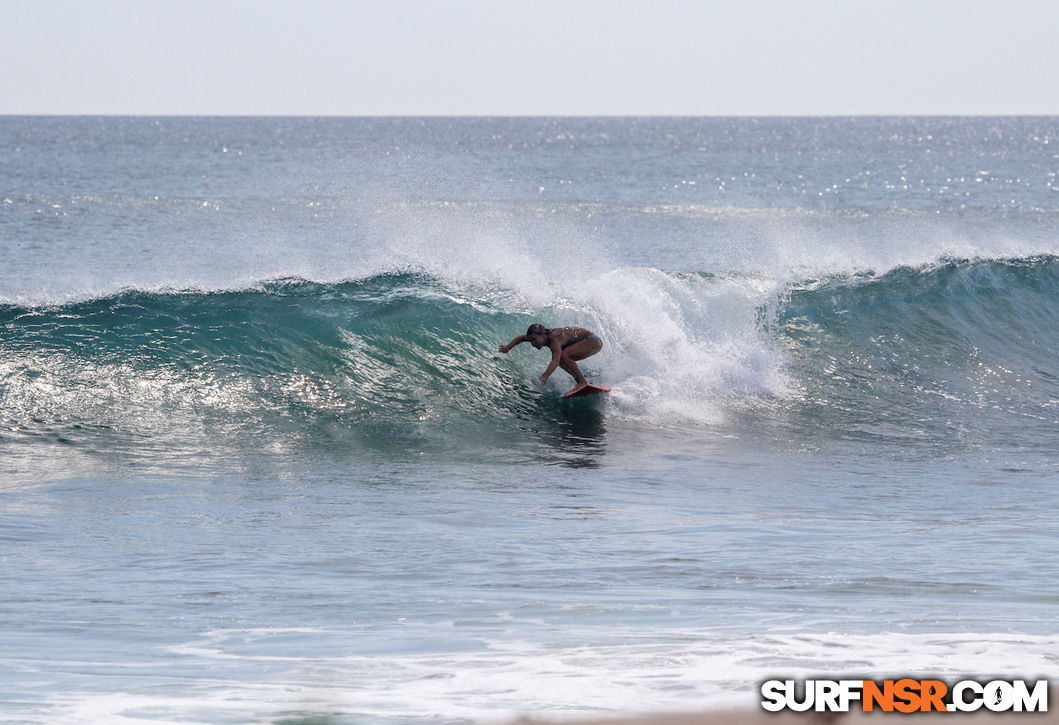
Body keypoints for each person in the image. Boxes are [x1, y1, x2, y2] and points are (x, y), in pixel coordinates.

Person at [498, 324, 603, 392]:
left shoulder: (554, 339)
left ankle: (582, 382)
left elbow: (555, 361)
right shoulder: (536, 336)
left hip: (593, 341)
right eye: (531, 341)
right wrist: (508, 347)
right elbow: (521, 338)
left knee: (563, 355)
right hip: (588, 342)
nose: (533, 343)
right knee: (562, 360)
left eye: (534, 340)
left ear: (543, 335)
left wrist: (545, 376)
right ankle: (581, 380)